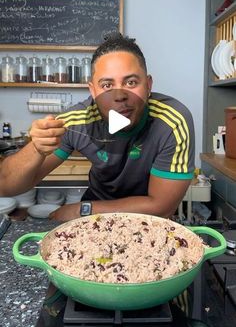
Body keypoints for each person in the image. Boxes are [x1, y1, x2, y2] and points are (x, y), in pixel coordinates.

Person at [0, 34, 195, 221]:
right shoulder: (76, 121)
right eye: (107, 85)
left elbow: (161, 207)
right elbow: (6, 185)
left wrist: (83, 210)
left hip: (148, 223)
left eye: (131, 82)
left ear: (149, 85)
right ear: (93, 91)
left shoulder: (173, 121)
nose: (120, 96)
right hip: (93, 224)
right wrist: (36, 147)